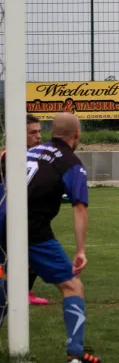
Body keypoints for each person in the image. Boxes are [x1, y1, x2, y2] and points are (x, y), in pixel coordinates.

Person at [0, 113, 104, 362]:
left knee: (4, 286)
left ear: (51, 132)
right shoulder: (71, 163)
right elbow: (79, 207)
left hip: (4, 218)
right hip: (30, 229)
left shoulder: (30, 152)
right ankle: (76, 354)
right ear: (77, 134)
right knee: (72, 286)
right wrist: (80, 251)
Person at [0, 114, 49, 306]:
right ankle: (15, 294)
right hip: (7, 216)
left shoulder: (37, 155)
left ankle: (23, 292)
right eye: (32, 132)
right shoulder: (10, 157)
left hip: (27, 215)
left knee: (31, 253)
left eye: (39, 131)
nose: (38, 136)